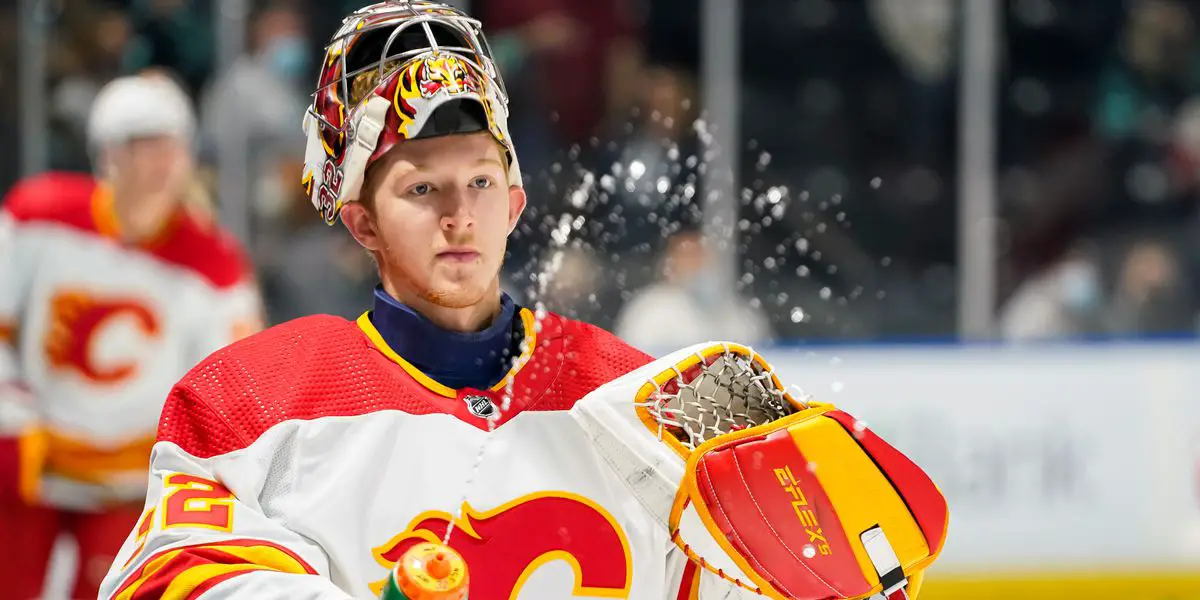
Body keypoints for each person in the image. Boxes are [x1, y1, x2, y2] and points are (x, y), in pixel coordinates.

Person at [98, 4, 945, 599]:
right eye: (420, 188)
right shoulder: (252, 401)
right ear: (359, 222)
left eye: (479, 181)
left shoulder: (639, 402)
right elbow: (165, 572)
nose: (458, 214)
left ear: (515, 203)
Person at [0, 73, 262, 599]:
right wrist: (12, 421)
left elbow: (229, 387)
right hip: (28, 468)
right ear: (107, 155)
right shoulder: (38, 214)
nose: (161, 162)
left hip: (129, 486)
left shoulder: (215, 263)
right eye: (143, 145)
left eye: (172, 145)